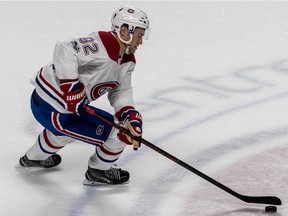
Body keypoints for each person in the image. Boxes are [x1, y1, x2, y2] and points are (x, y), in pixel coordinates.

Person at [19, 5, 150, 185]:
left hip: (52, 107)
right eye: (139, 35)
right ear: (124, 31)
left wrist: (129, 114)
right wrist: (71, 89)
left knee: (66, 132)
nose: (141, 42)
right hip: (55, 108)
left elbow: (121, 91)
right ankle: (98, 171)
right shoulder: (102, 44)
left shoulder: (127, 61)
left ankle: (33, 158)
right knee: (118, 133)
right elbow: (64, 49)